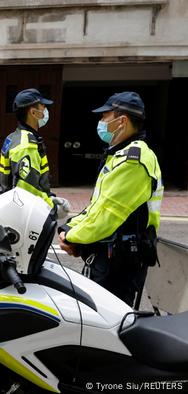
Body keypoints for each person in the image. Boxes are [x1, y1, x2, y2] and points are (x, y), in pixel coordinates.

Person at [58, 92, 163, 308]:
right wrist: (70, 226)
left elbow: (108, 216)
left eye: (105, 117)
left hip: (120, 264)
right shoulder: (118, 154)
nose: (101, 123)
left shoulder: (134, 160)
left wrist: (72, 237)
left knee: (110, 328)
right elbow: (97, 205)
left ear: (122, 121)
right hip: (108, 257)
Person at [0, 88, 66, 211]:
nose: (46, 110)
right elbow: (28, 190)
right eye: (43, 107)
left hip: (15, 207)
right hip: (28, 213)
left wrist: (49, 196)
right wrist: (52, 206)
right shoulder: (26, 145)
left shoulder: (13, 137)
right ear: (33, 113)